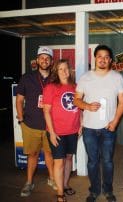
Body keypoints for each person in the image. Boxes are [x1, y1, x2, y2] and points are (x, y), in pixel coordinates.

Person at [74, 44, 123, 202]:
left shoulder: (117, 77)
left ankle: (108, 190)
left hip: (108, 128)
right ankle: (94, 190)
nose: (102, 59)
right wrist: (87, 106)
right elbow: (76, 100)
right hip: (89, 129)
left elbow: (122, 102)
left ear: (110, 60)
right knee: (92, 162)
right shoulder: (85, 77)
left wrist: (115, 122)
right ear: (95, 58)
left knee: (108, 162)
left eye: (106, 57)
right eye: (99, 56)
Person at [16, 46, 57, 197]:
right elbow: (19, 100)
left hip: (50, 125)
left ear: (51, 61)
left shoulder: (55, 78)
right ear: (37, 60)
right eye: (42, 57)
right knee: (32, 155)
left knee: (50, 154)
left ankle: (52, 179)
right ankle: (29, 182)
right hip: (31, 124)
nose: (44, 60)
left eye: (47, 58)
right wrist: (21, 119)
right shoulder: (27, 77)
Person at [43, 59, 81, 202]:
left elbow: (79, 108)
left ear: (70, 70)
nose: (64, 72)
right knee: (59, 162)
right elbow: (46, 111)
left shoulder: (76, 87)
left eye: (66, 69)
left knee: (69, 158)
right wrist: (52, 132)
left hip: (73, 130)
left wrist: (81, 124)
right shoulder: (51, 88)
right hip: (57, 132)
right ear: (56, 72)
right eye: (61, 69)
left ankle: (65, 185)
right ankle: (60, 193)